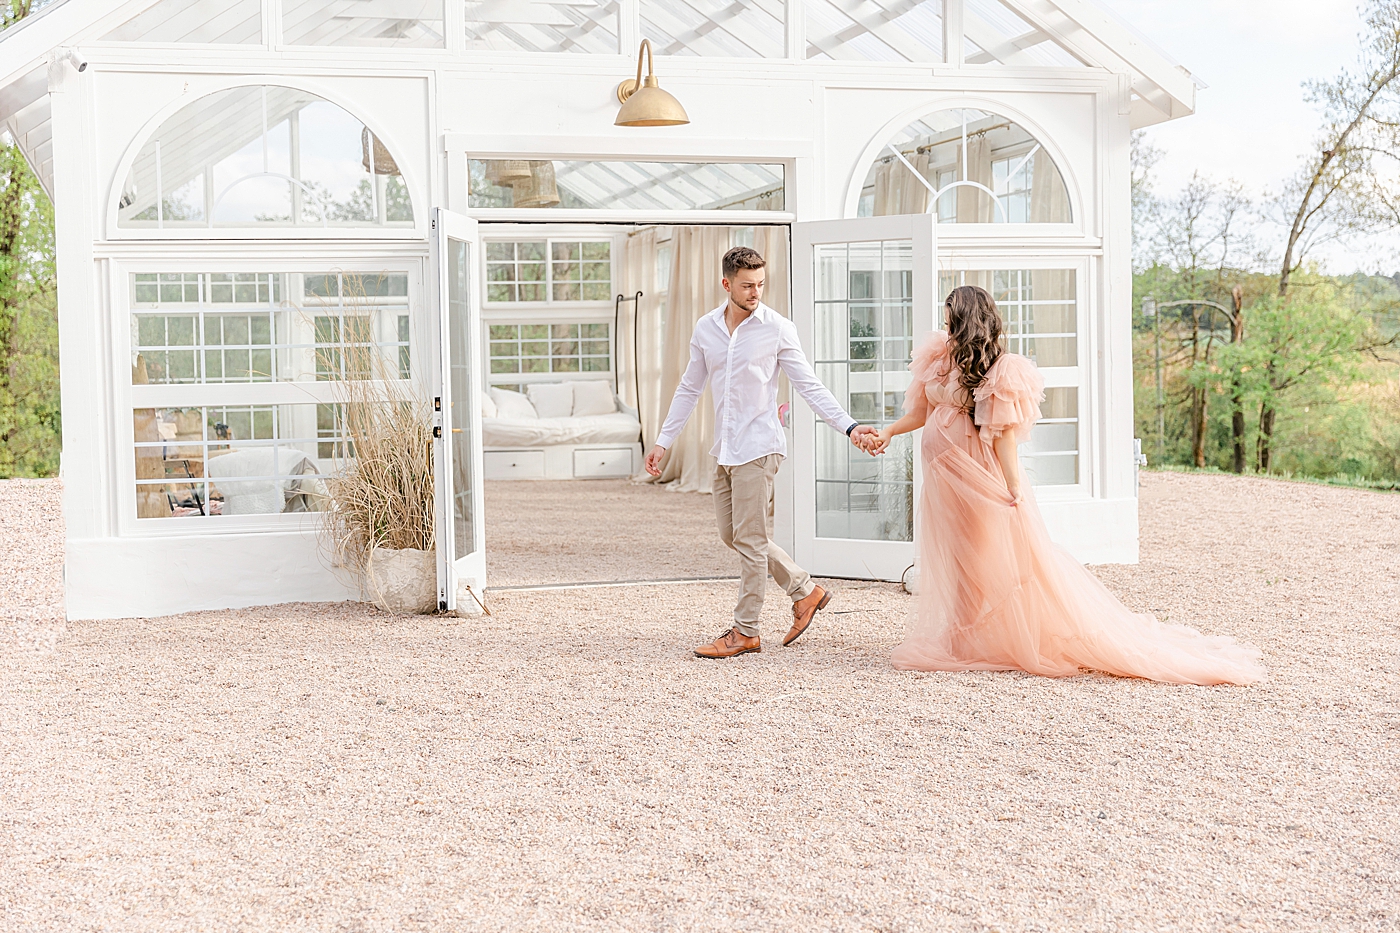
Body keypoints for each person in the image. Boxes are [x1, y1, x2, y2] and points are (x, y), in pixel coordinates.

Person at [863, 285, 1265, 685]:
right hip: (941, 472)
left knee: (980, 553)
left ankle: (976, 637)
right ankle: (962, 634)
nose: (946, 321)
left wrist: (1013, 486)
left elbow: (1001, 434)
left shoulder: (998, 367)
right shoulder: (939, 355)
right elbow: (921, 410)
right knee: (954, 551)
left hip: (975, 470)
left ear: (970, 318)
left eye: (951, 314)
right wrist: (889, 432)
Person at [646, 246, 879, 659]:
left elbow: (809, 386)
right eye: (747, 285)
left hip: (760, 446)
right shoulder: (706, 329)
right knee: (731, 534)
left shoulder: (778, 328)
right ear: (727, 284)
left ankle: (745, 630)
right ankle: (805, 590)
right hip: (726, 448)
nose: (756, 292)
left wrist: (849, 425)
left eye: (760, 285)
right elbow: (689, 388)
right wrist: (664, 440)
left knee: (751, 541)